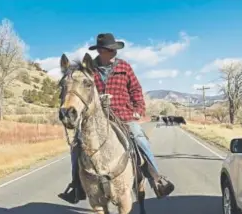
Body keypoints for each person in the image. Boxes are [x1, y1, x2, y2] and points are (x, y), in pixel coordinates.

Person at [62, 33, 175, 203]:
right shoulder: (89, 69)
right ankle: (76, 186)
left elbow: (136, 89)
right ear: (100, 50)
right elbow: (79, 87)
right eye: (109, 50)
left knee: (139, 138)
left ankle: (157, 180)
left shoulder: (125, 67)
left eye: (114, 49)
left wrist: (138, 109)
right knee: (77, 144)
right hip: (95, 118)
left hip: (123, 114)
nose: (113, 52)